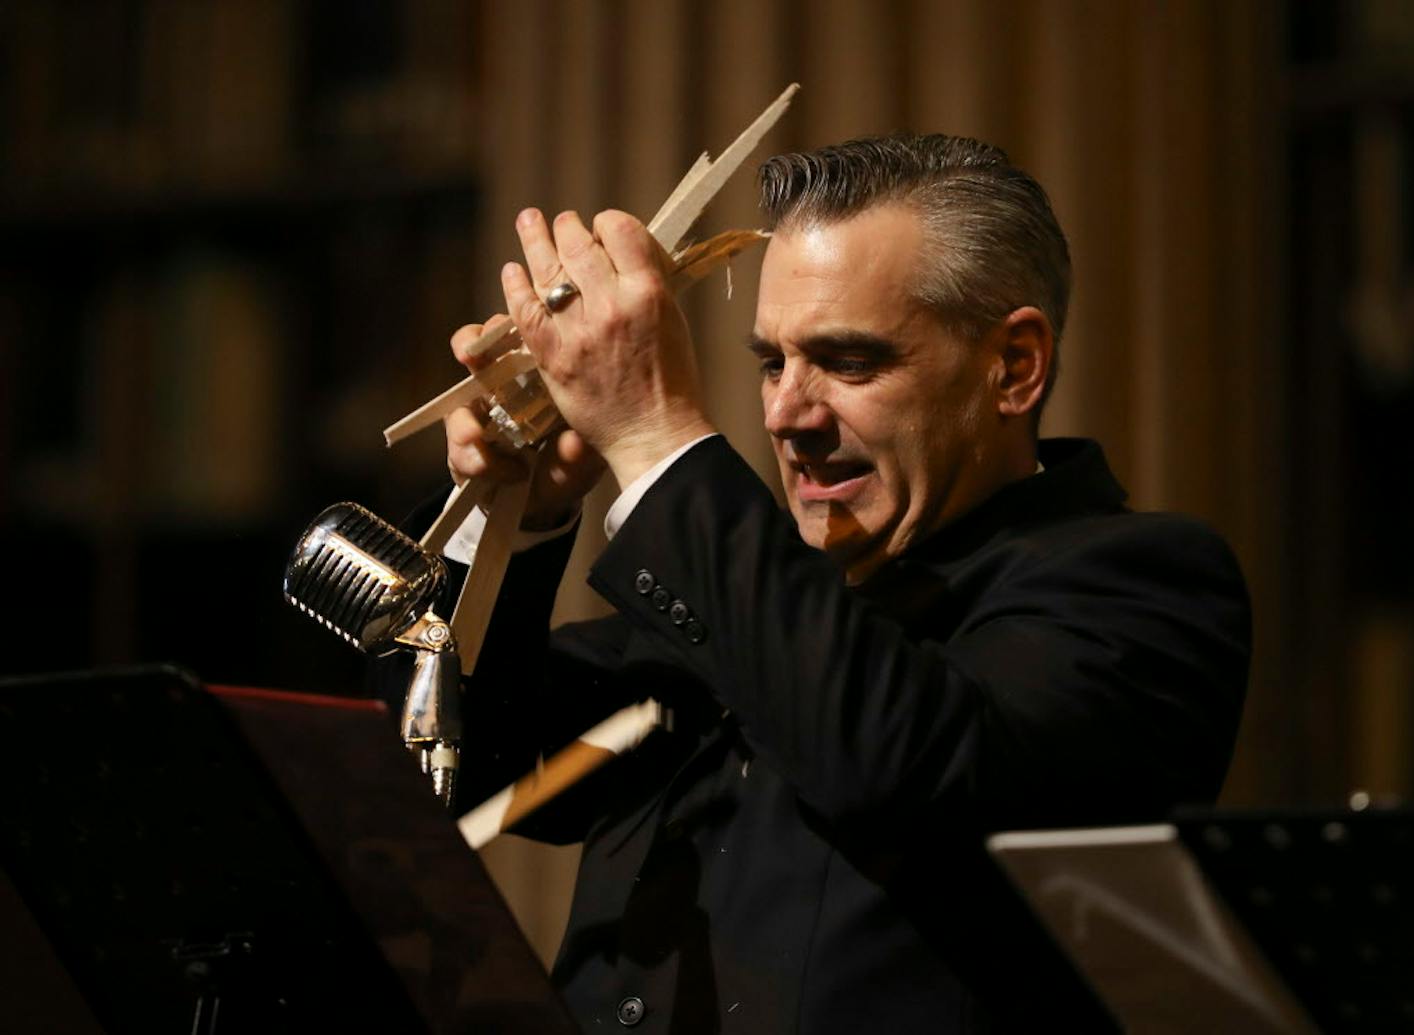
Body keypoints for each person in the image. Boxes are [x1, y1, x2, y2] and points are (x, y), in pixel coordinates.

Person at [383, 135, 1250, 1032]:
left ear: (1014, 367)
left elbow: (905, 767)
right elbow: (467, 770)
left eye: (848, 361)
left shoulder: (1141, 585)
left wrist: (652, 438)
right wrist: (512, 523)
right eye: (772, 362)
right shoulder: (743, 592)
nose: (787, 414)